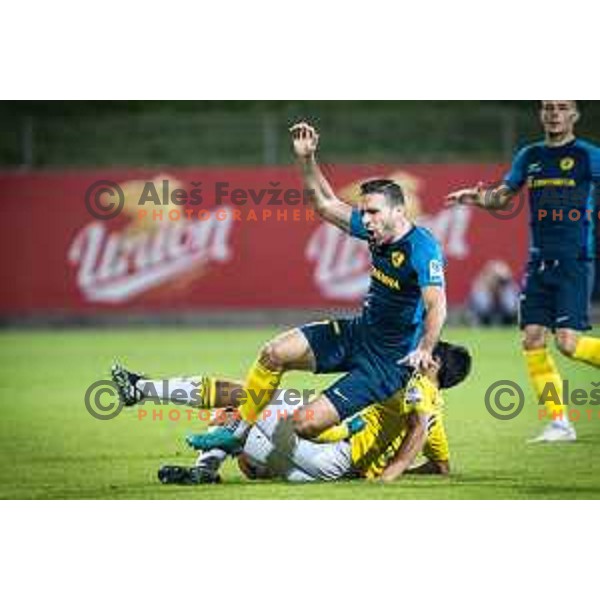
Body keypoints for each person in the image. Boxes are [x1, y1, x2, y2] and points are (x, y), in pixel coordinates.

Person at [170, 122, 447, 453]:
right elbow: (325, 205)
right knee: (274, 353)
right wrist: (306, 158)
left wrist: (426, 349)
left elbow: (437, 305)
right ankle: (237, 433)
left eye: (373, 212)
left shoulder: (422, 248)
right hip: (359, 334)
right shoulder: (376, 231)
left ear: (399, 211)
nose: (366, 220)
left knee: (304, 424)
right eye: (364, 212)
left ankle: (346, 428)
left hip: (386, 364)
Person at [447, 101, 600, 442]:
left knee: (569, 345)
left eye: (562, 107)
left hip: (574, 260)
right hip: (538, 262)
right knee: (532, 339)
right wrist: (477, 198)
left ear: (574, 115)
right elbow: (502, 198)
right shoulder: (529, 156)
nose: (554, 113)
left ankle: (560, 422)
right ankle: (560, 423)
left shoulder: (589, 155)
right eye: (548, 107)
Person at [151, 342, 471, 484]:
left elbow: (418, 425)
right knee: (245, 445)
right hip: (319, 471)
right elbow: (441, 466)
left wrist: (391, 473)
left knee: (243, 402)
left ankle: (150, 394)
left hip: (330, 455)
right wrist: (393, 465)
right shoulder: (435, 411)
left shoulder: (420, 386)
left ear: (436, 364)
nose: (421, 351)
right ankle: (220, 464)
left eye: (429, 350)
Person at [468, 260, 519, 326]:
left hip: (506, 318)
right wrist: (490, 292)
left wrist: (501, 293)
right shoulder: (480, 289)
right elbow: (483, 309)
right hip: (484, 319)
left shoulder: (508, 289)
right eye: (495, 279)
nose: (497, 283)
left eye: (501, 281)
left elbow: (511, 309)